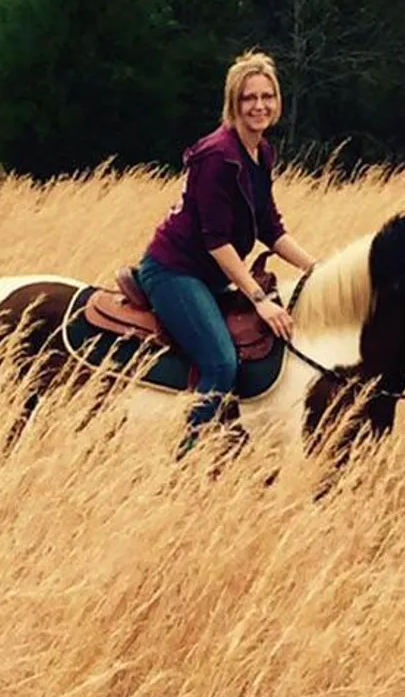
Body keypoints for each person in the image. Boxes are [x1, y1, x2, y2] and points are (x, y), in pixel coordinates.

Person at [136, 50, 318, 458]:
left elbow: (271, 229)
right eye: (249, 98)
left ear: (277, 101)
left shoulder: (261, 153)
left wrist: (318, 269)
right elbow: (216, 241)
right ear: (233, 103)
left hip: (212, 276)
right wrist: (260, 300)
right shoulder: (219, 156)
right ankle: (189, 454)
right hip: (175, 271)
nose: (259, 106)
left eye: (267, 96)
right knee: (221, 362)